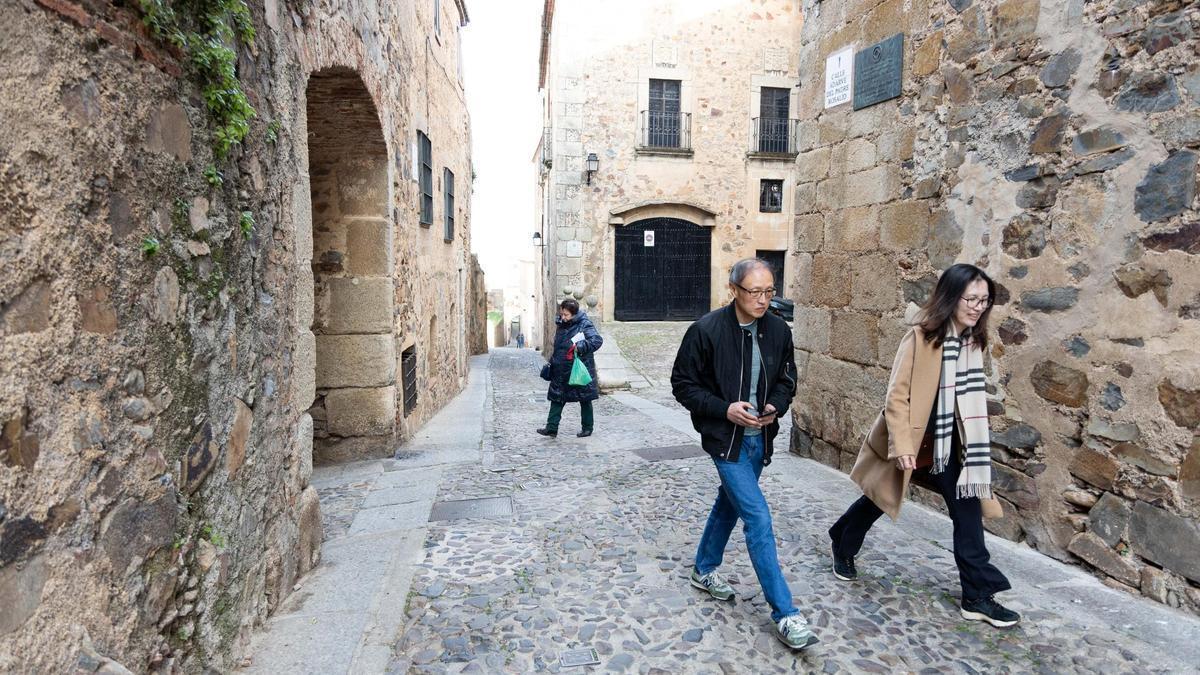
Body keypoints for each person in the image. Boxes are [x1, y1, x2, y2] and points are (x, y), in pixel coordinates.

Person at [828, 263, 1020, 628]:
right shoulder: (921, 336)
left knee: (966, 512)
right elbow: (896, 396)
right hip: (915, 439)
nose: (978, 307)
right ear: (952, 297)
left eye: (984, 300)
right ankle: (843, 539)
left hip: (953, 445)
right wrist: (902, 445)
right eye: (971, 299)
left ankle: (977, 596)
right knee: (879, 498)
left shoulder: (972, 340)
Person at [670, 258, 817, 650]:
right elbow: (682, 384)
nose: (764, 299)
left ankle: (703, 569)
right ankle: (786, 613)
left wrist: (775, 407)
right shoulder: (705, 331)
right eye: (755, 291)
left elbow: (787, 379)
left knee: (729, 504)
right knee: (757, 516)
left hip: (759, 439)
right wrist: (724, 408)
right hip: (725, 439)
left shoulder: (778, 330)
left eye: (770, 291)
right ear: (734, 289)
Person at [537, 299, 602, 438]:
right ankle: (551, 428)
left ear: (574, 314)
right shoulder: (562, 324)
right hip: (560, 369)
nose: (563, 317)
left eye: (566, 315)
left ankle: (587, 427)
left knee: (584, 398)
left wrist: (581, 346)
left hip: (577, 369)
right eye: (562, 314)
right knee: (557, 398)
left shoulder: (585, 324)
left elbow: (596, 340)